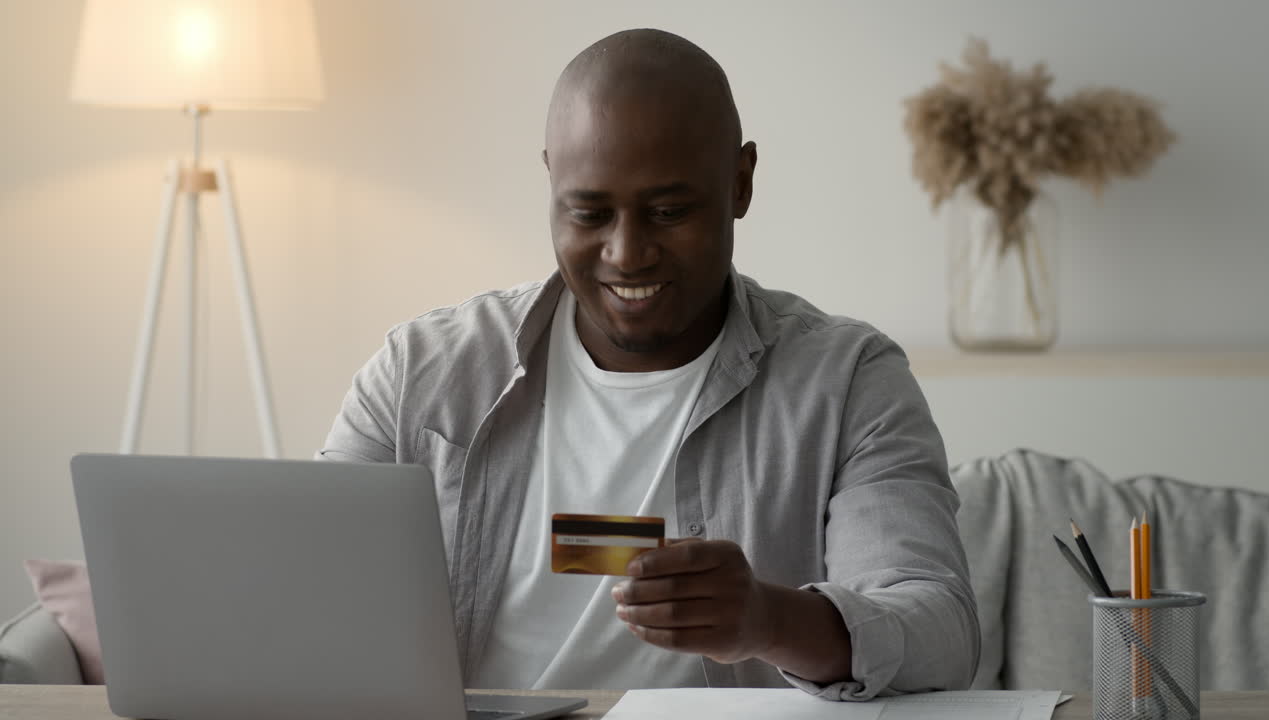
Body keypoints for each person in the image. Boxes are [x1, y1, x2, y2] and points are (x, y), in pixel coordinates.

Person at [318, 28, 979, 700]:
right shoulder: (422, 372)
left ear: (741, 182)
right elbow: (300, 583)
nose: (627, 253)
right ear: (552, 182)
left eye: (668, 212)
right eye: (589, 213)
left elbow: (939, 632)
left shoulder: (845, 382)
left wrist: (769, 619)